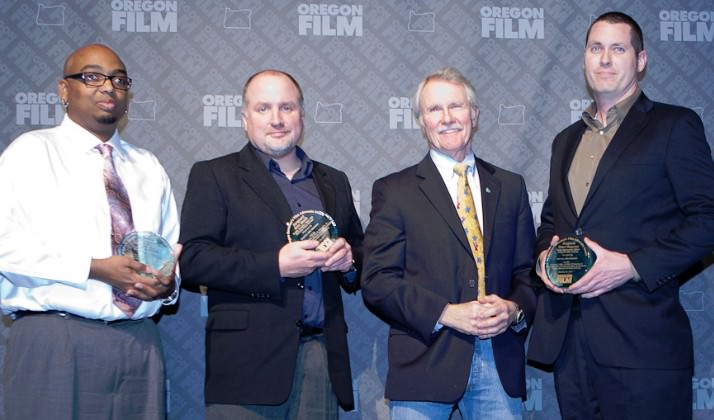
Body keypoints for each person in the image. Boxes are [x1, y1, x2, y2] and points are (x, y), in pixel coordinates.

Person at [527, 11, 714, 420]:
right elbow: (552, 221)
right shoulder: (565, 140)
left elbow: (708, 220)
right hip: (570, 346)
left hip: (641, 347)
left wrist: (630, 266)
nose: (605, 59)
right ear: (584, 59)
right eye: (596, 48)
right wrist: (545, 258)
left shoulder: (673, 125)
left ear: (640, 60)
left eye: (618, 48)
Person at [0, 43, 181, 419]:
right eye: (92, 76)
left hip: (140, 341)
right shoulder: (30, 153)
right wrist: (94, 267)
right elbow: (4, 248)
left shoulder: (147, 166)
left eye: (118, 79)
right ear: (64, 90)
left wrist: (166, 286)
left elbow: (166, 250)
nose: (107, 87)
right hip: (55, 339)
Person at [179, 69, 363, 419]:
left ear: (301, 116)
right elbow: (193, 261)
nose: (277, 119)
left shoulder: (333, 180)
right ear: (245, 119)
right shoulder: (214, 175)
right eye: (263, 109)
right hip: (245, 364)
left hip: (320, 357)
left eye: (287, 107)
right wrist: (274, 265)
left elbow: (360, 251)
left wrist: (349, 261)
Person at [361, 67, 536, 419]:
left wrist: (514, 310)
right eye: (434, 110)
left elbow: (527, 275)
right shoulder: (395, 191)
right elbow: (377, 281)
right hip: (424, 359)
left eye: (455, 106)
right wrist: (445, 313)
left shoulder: (510, 186)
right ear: (422, 122)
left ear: (474, 114)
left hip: (499, 361)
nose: (447, 118)